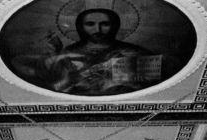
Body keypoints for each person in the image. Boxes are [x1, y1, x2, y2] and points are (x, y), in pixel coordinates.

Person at [11, 8, 159, 96]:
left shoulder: (134, 51)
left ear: (115, 26)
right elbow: (54, 83)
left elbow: (153, 74)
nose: (98, 30)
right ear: (80, 27)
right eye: (90, 24)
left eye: (105, 24)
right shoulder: (68, 52)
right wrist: (57, 53)